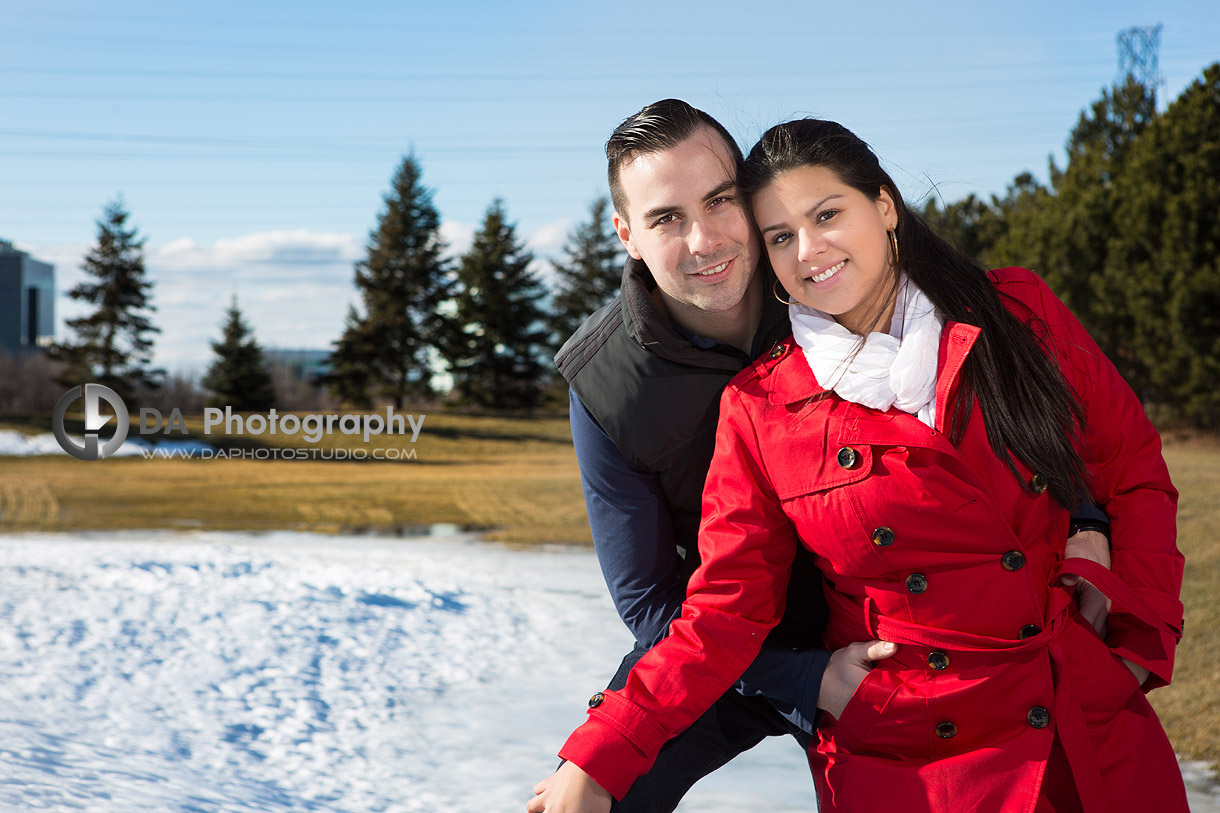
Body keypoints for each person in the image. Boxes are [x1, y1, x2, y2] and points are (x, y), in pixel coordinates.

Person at [530, 117, 1184, 813]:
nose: (809, 250)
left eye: (827, 214)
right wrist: (598, 753)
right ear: (628, 234)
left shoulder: (1011, 310)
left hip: (1075, 717)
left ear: (884, 204)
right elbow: (706, 610)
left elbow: (1128, 463)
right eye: (782, 235)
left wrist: (1138, 635)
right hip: (902, 736)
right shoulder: (754, 405)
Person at [544, 99, 839, 813]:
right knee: (589, 794)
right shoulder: (606, 383)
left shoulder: (827, 283)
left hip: (883, 606)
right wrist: (799, 676)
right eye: (667, 218)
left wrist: (1083, 519)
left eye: (719, 200)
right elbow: (648, 596)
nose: (705, 239)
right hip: (724, 638)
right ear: (627, 236)